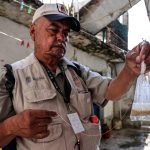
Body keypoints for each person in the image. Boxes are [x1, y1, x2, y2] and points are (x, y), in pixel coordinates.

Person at [0, 3, 150, 150]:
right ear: (33, 32)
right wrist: (11, 127)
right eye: (53, 30)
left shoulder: (78, 71)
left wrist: (130, 70)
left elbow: (112, 91)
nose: (61, 38)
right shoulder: (11, 77)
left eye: (65, 33)